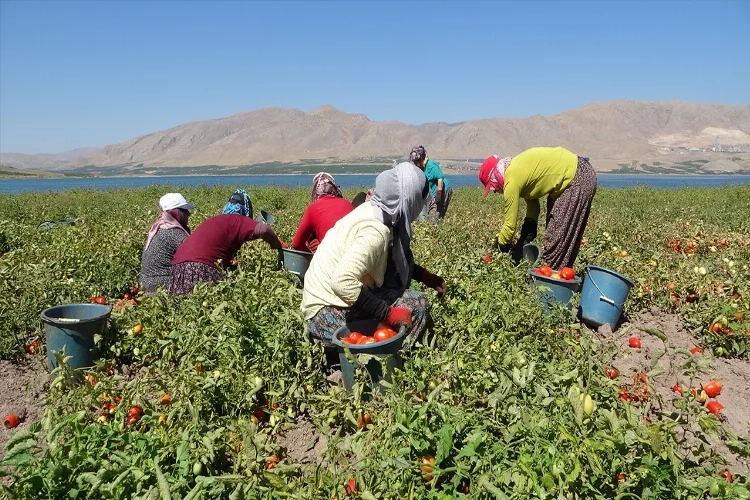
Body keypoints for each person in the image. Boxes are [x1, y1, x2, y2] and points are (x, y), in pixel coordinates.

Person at [302, 162, 446, 349]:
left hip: (323, 304)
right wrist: (387, 313)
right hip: (325, 317)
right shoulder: (375, 231)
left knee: (397, 291)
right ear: (410, 199)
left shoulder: (374, 209)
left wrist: (425, 277)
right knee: (418, 304)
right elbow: (342, 282)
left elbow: (387, 262)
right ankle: (394, 360)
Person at [478, 146, 597, 269]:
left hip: (576, 178)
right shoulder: (517, 169)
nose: (495, 191)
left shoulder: (511, 180)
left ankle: (552, 283)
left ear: (495, 177)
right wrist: (525, 235)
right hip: (577, 175)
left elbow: (509, 226)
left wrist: (499, 248)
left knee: (556, 241)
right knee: (559, 237)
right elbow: (533, 206)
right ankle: (559, 276)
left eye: (492, 187)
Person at [169, 189, 283, 295]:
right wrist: (277, 245)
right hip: (200, 268)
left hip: (178, 271)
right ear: (246, 210)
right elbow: (264, 229)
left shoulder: (218, 220)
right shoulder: (238, 220)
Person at [140, 193, 195, 294]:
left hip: (146, 283)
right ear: (176, 212)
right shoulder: (174, 232)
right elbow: (195, 256)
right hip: (161, 284)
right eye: (184, 210)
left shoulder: (161, 226)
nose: (188, 214)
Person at [291, 173, 353, 253]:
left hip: (330, 258)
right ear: (334, 188)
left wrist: (312, 253)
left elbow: (296, 244)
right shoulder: (348, 204)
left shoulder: (313, 208)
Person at [409, 146, 452, 219]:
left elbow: (440, 178)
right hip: (434, 194)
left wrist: (439, 193)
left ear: (421, 159)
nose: (415, 164)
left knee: (436, 215)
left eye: (416, 162)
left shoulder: (430, 165)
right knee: (431, 215)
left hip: (443, 190)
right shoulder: (422, 168)